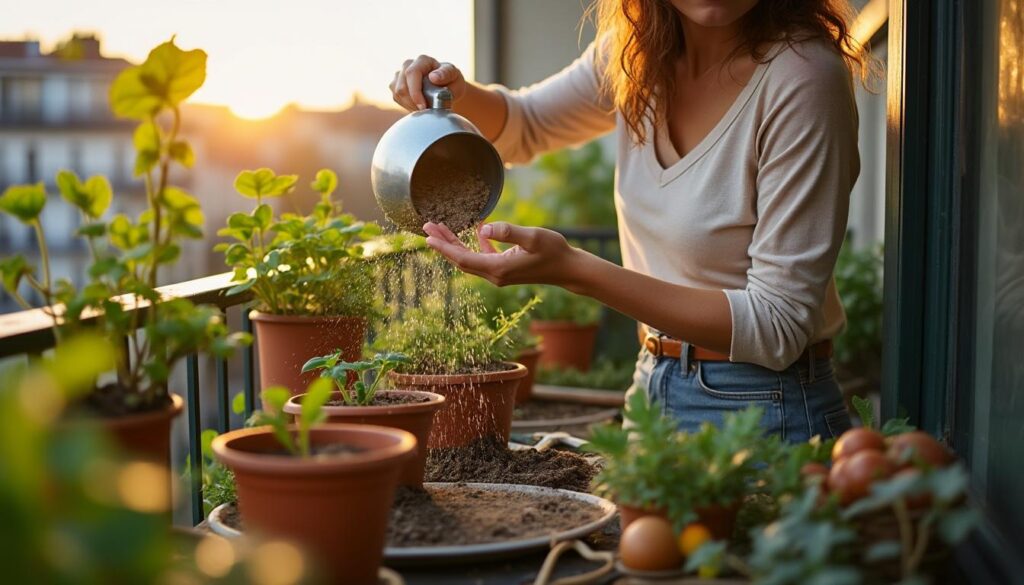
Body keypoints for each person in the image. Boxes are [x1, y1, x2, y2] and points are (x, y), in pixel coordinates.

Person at [389, 0, 869, 442]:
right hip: (653, 384)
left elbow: (777, 326)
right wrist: (453, 92)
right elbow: (525, 126)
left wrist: (575, 271)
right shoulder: (633, 56)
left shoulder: (804, 79)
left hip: (768, 409)